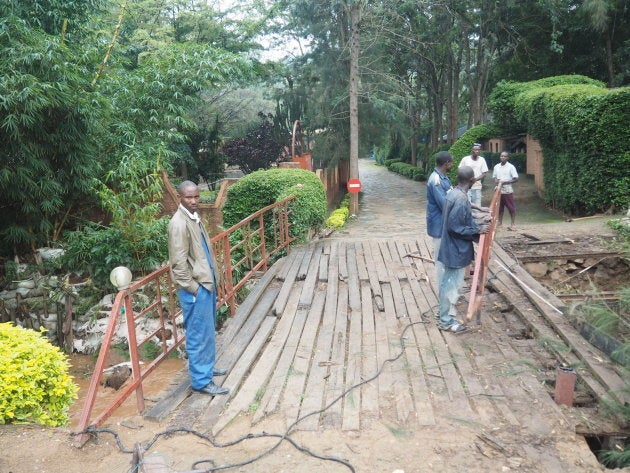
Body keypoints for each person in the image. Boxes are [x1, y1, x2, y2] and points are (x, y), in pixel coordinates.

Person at [168, 181, 229, 396]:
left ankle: (207, 369)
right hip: (197, 290)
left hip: (206, 285)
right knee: (197, 334)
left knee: (207, 332)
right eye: (188, 197)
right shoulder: (179, 224)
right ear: (180, 198)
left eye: (196, 197)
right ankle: (202, 382)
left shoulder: (194, 218)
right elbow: (178, 264)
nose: (194, 201)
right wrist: (194, 289)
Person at [437, 166, 490, 333]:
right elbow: (456, 227)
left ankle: (444, 316)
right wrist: (477, 231)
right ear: (472, 180)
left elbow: (462, 221)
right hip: (455, 249)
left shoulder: (454, 193)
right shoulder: (459, 198)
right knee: (450, 285)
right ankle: (445, 321)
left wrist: (478, 225)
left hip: (452, 247)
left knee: (448, 283)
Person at [426, 151, 454, 286]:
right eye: (451, 162)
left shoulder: (444, 177)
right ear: (446, 163)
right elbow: (444, 204)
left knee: (446, 258)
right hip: (438, 225)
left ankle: (446, 286)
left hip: (444, 224)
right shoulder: (435, 180)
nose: (452, 164)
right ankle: (442, 291)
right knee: (440, 260)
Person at [493, 151, 519, 230]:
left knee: (511, 207)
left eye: (504, 156)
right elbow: (495, 177)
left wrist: (505, 182)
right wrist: (496, 181)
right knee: (500, 208)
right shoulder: (496, 167)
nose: (503, 157)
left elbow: (516, 179)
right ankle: (500, 223)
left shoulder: (511, 167)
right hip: (499, 190)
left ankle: (513, 224)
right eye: (501, 156)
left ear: (507, 158)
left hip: (507, 190)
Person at [458, 143, 488, 207]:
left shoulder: (482, 160)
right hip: (466, 188)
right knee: (467, 207)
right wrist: (465, 180)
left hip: (477, 187)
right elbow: (460, 171)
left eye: (478, 150)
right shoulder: (465, 159)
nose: (477, 151)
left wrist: (475, 179)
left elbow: (484, 173)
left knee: (477, 207)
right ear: (471, 150)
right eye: (475, 150)